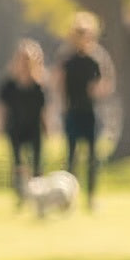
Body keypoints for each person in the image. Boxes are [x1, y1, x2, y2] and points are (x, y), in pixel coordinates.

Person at [54, 11, 116, 207]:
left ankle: (90, 197)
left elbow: (108, 82)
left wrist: (99, 90)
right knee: (71, 157)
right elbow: (59, 83)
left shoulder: (97, 58)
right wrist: (60, 107)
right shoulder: (67, 58)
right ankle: (68, 198)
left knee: (92, 157)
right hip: (72, 112)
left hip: (91, 113)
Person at [0, 39, 47, 202]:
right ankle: (20, 195)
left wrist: (47, 127)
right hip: (15, 127)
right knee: (18, 163)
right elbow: (0, 106)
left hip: (34, 128)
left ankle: (38, 194)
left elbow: (43, 109)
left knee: (37, 162)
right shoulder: (9, 84)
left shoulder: (38, 85)